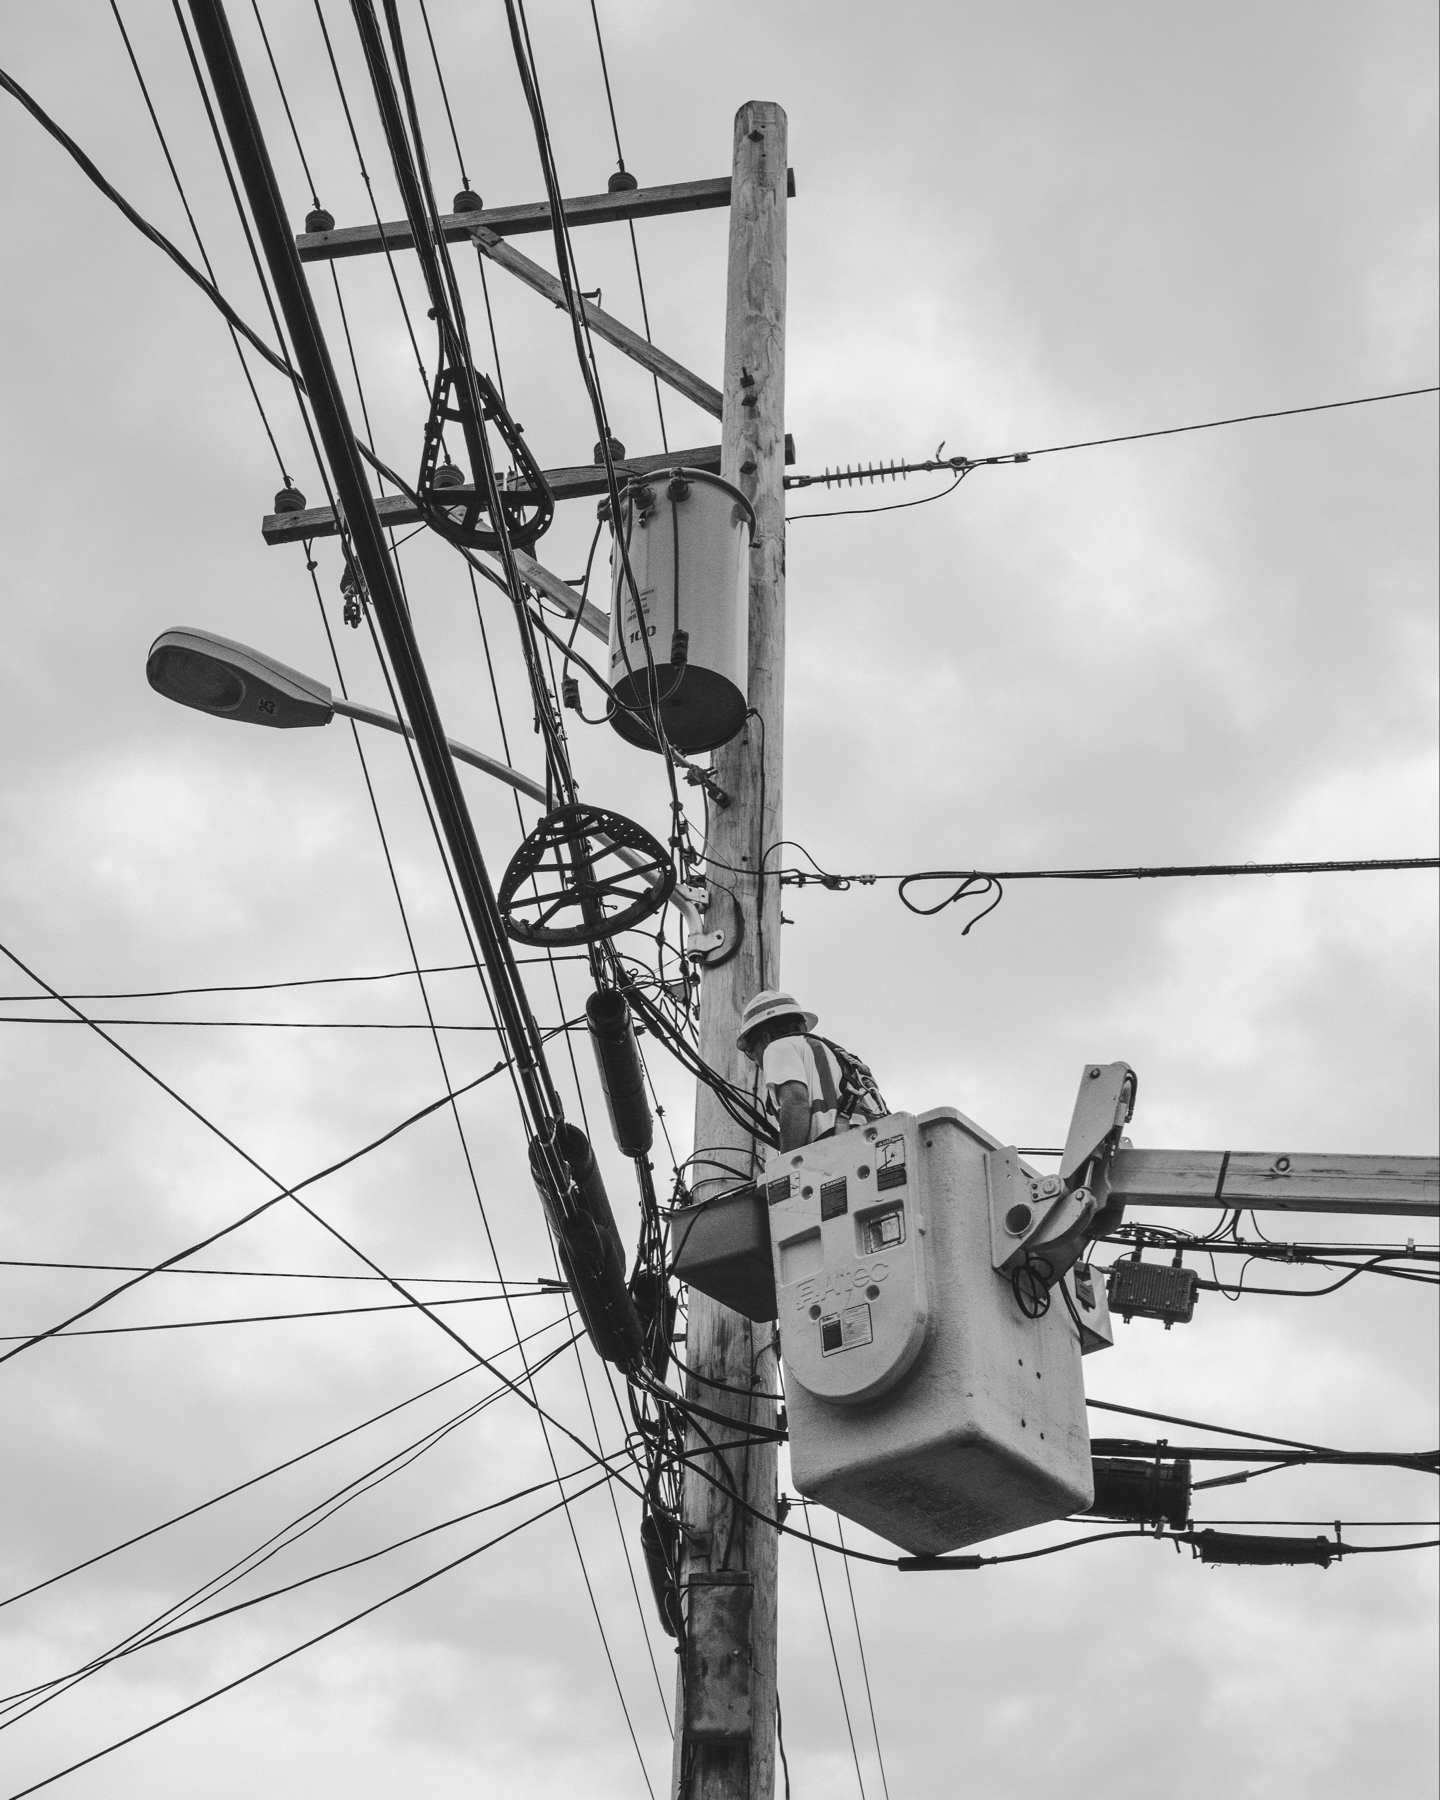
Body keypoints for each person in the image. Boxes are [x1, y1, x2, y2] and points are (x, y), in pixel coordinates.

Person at [736, 989, 889, 1152]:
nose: (756, 1060)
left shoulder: (777, 1047)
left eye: (751, 1051)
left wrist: (786, 1166)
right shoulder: (843, 1058)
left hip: (835, 1149)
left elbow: (795, 1102)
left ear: (766, 1038)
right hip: (876, 1147)